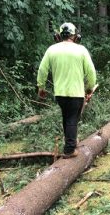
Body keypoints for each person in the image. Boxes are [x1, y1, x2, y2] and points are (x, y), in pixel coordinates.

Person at [37, 22, 96, 158]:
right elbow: (91, 72)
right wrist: (89, 88)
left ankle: (71, 141)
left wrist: (41, 87)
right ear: (75, 36)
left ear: (59, 35)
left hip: (60, 94)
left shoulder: (51, 50)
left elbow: (42, 70)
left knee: (67, 117)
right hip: (76, 92)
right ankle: (69, 149)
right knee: (72, 119)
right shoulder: (81, 50)